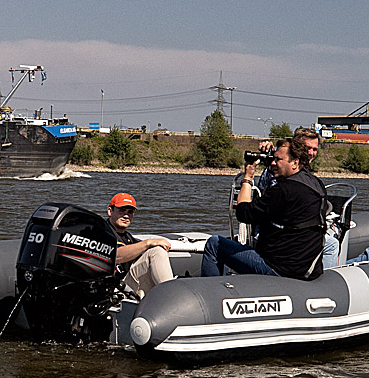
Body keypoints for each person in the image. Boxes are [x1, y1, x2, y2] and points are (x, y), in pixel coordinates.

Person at [201, 137, 328, 280]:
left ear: (295, 162)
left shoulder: (283, 190)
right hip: (306, 268)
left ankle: (213, 293)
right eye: (272, 159)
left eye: (278, 160)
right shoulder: (316, 184)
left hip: (279, 269)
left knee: (214, 244)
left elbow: (243, 213)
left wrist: (248, 178)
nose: (272, 163)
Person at [252, 127, 340, 268]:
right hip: (276, 234)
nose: (311, 153)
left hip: (285, 229)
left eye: (315, 149)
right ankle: (325, 284)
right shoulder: (282, 172)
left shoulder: (300, 173)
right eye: (307, 148)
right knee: (331, 245)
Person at [105, 192, 174, 297]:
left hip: (127, 284)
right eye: (121, 210)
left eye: (130, 212)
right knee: (156, 252)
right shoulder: (102, 232)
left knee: (157, 249)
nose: (126, 215)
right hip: (113, 287)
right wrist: (148, 243)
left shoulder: (129, 238)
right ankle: (172, 298)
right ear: (110, 211)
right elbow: (115, 256)